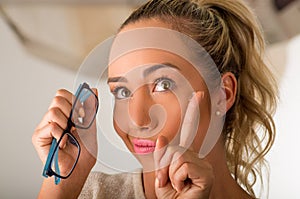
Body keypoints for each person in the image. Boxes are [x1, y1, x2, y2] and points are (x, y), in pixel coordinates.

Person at [32, 0, 278, 198]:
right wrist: (62, 184)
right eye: (122, 92)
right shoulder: (88, 194)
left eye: (163, 84)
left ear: (223, 95)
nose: (137, 120)